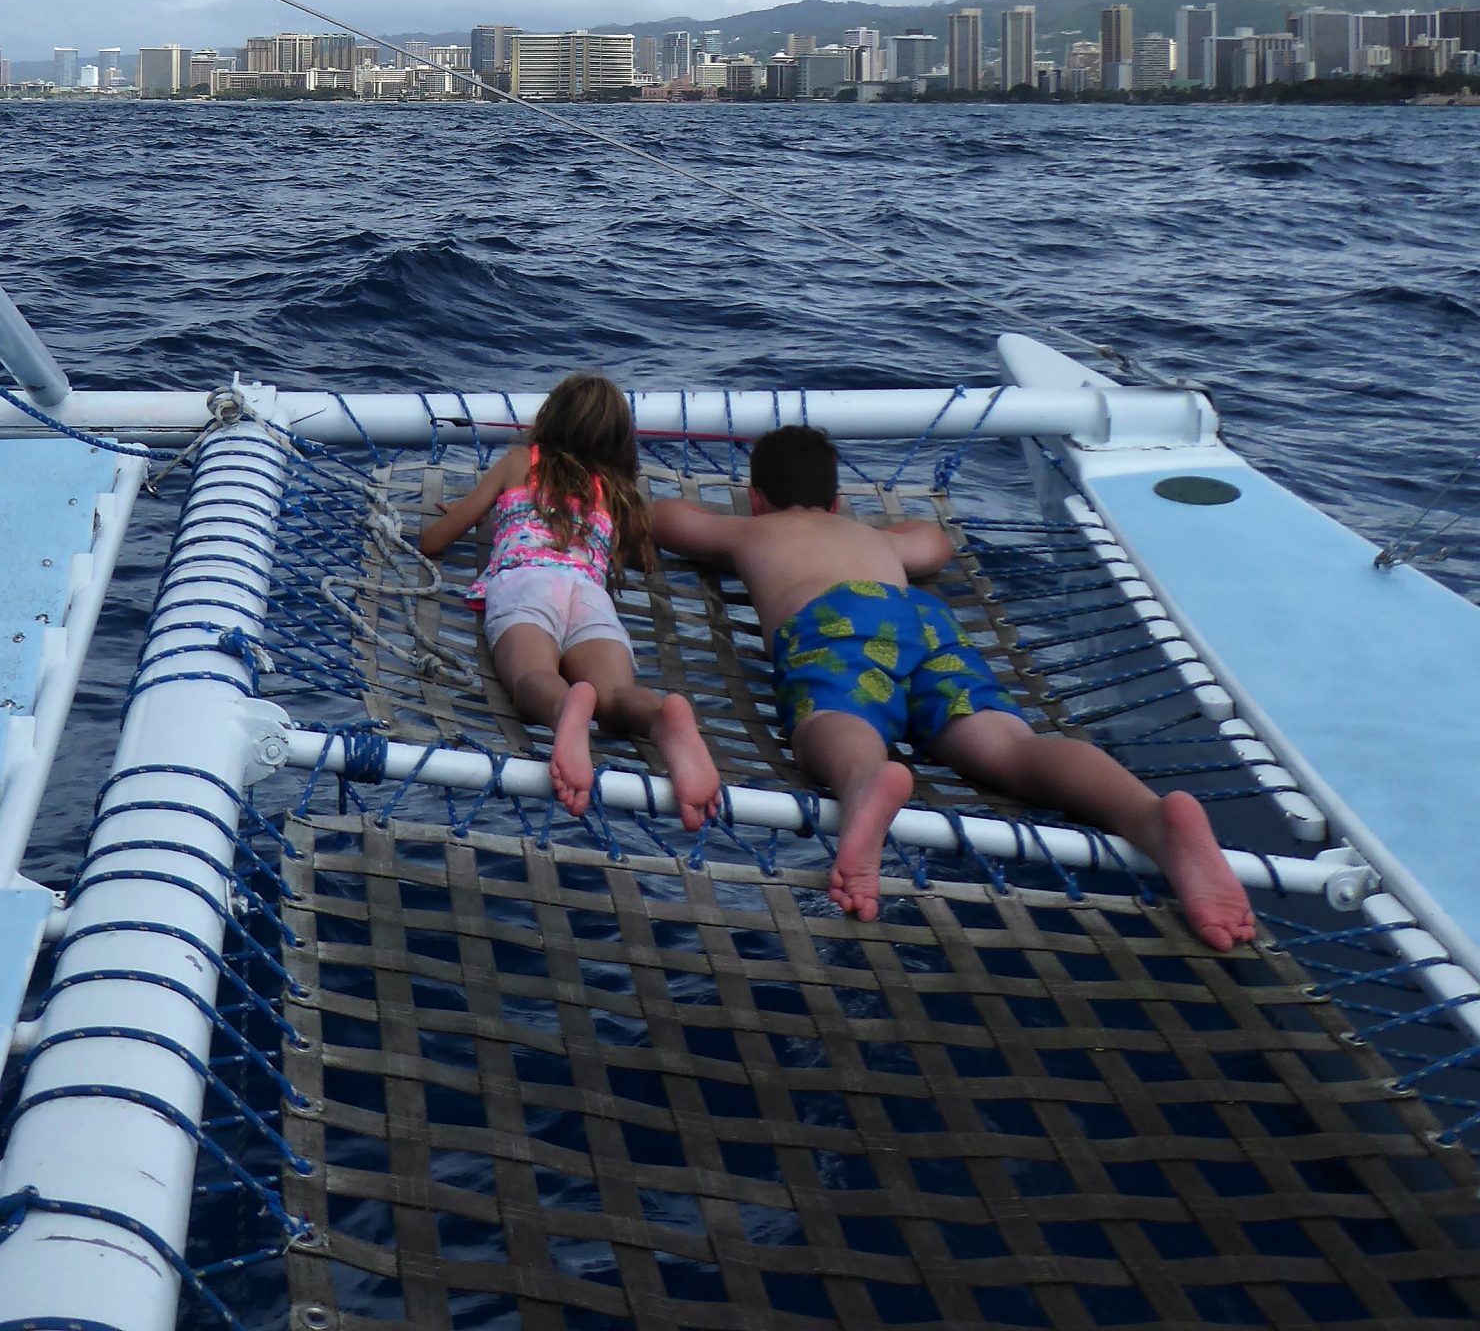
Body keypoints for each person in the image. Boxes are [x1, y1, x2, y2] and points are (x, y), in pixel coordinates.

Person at [650, 425, 1256, 948]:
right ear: (836, 503)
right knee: (1007, 745)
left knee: (833, 719)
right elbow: (933, 542)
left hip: (834, 624)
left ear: (758, 499)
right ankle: (1149, 816)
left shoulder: (756, 532)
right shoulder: (878, 540)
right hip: (922, 620)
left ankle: (866, 778)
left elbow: (668, 521)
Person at [418, 372, 721, 829]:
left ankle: (566, 711)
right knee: (616, 697)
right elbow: (640, 553)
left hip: (526, 584)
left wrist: (477, 513)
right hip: (589, 594)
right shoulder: (617, 495)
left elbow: (434, 542)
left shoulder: (521, 461)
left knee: (532, 678)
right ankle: (662, 718)